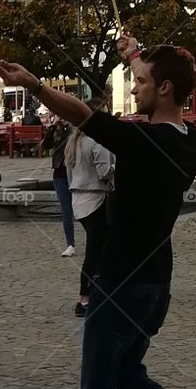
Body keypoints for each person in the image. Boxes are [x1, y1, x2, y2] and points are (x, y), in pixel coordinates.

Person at [0, 37, 196, 389]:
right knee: (128, 374)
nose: (135, 86)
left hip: (122, 281)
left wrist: (34, 85)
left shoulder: (143, 141)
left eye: (142, 81)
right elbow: (149, 84)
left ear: (165, 89)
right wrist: (134, 53)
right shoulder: (190, 140)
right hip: (154, 285)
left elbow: (83, 116)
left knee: (96, 385)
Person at [65, 102, 115, 317]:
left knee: (98, 249)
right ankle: (85, 298)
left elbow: (69, 174)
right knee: (96, 250)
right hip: (96, 197)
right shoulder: (98, 141)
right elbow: (105, 172)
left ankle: (96, 293)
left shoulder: (74, 141)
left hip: (78, 198)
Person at [48, 119, 76, 257]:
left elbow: (72, 139)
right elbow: (46, 145)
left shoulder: (74, 127)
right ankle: (70, 244)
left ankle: (96, 240)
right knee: (66, 210)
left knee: (83, 211)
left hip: (75, 173)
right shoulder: (55, 131)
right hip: (59, 174)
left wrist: (66, 126)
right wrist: (52, 127)